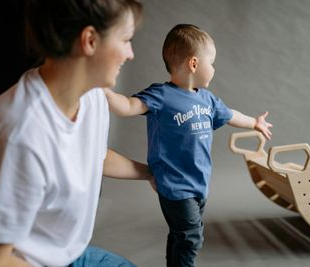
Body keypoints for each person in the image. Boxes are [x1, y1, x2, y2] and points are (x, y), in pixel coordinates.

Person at [0, 0, 153, 266]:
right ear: (90, 40)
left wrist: (152, 172)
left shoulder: (92, 95)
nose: (131, 54)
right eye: (126, 39)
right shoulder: (17, 136)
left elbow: (96, 155)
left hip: (67, 256)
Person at [103, 24, 273, 267]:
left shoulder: (207, 99)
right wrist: (104, 92)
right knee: (192, 237)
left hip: (198, 184)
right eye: (211, 63)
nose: (213, 69)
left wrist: (254, 122)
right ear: (194, 64)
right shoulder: (161, 95)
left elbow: (230, 114)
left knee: (181, 235)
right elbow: (128, 106)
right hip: (175, 186)